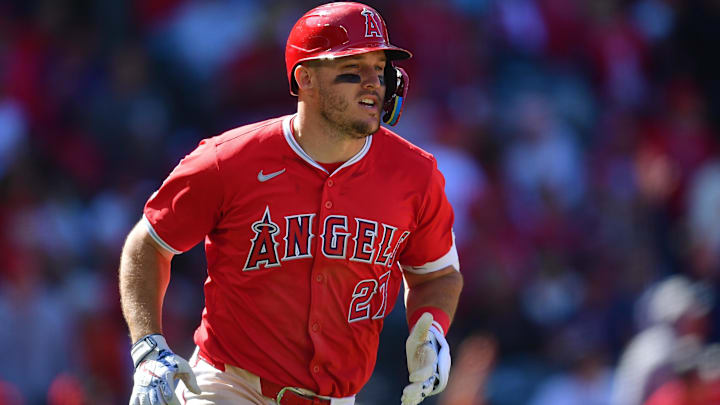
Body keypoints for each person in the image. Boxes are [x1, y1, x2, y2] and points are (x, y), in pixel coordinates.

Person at [118, 2, 463, 405]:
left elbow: (437, 275)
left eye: (380, 67)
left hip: (337, 398)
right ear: (306, 79)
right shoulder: (228, 160)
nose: (373, 83)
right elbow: (149, 244)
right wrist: (147, 346)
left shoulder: (415, 174)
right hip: (230, 386)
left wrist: (431, 327)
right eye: (353, 68)